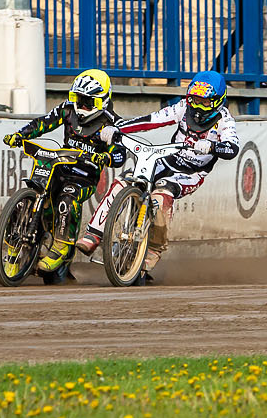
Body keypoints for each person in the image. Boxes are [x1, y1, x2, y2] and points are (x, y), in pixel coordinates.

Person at [85, 71, 241, 281]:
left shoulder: (225, 120)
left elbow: (232, 148)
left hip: (192, 172)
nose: (197, 106)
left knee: (161, 196)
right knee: (125, 180)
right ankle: (94, 233)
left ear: (218, 101)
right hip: (168, 159)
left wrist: (212, 146)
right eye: (194, 99)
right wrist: (116, 129)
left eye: (204, 102)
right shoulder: (183, 107)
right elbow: (151, 120)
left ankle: (153, 250)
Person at [1, 69, 128, 277]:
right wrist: (20, 135)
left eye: (87, 102)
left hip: (85, 176)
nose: (81, 106)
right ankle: (14, 247)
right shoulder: (67, 109)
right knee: (33, 193)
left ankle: (62, 246)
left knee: (66, 198)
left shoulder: (111, 123)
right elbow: (43, 123)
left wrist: (106, 157)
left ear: (103, 101)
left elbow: (120, 154)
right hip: (60, 165)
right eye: (78, 99)